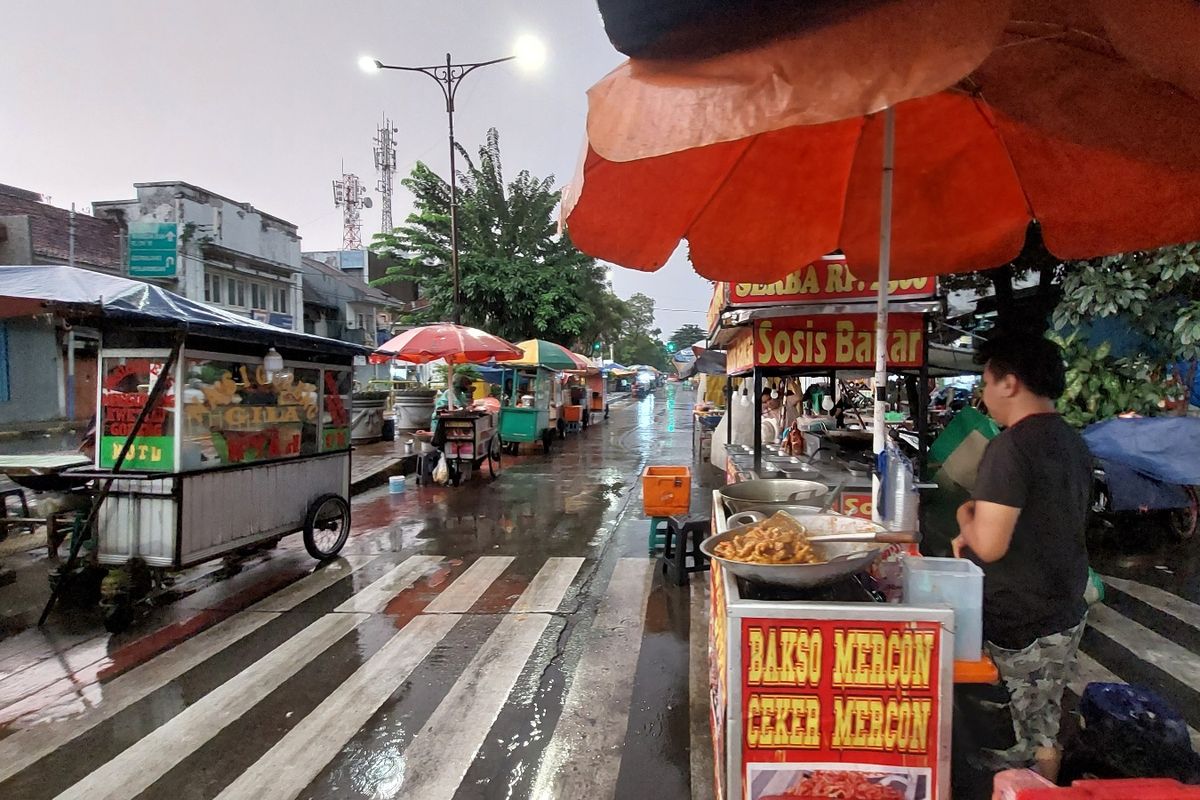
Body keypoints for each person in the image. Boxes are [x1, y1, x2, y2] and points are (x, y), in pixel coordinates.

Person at [952, 331, 1091, 782]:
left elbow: (990, 544)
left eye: (986, 382)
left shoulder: (1011, 447)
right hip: (1064, 605)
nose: (984, 394)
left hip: (1024, 617)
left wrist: (964, 515)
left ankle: (1035, 785)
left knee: (1031, 733)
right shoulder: (1072, 441)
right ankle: (1041, 776)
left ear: (1009, 383)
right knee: (1043, 717)